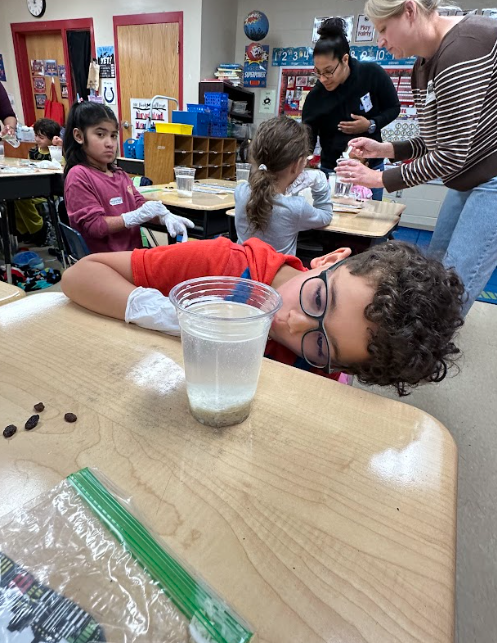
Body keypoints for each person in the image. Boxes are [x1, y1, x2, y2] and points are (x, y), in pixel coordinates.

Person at [61, 236, 465, 396]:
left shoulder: (320, 372)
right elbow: (80, 274)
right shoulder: (222, 264)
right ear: (328, 259)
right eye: (320, 298)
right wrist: (162, 313)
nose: (293, 322)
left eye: (321, 343)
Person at [337, 2, 497, 315]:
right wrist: (386, 150)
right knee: (434, 271)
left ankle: (423, 356)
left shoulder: (462, 48)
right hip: (467, 178)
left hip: (490, 177)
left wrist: (381, 178)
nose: (380, 40)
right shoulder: (423, 65)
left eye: (383, 29)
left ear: (410, 11)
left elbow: (450, 154)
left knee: (453, 287)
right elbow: (438, 139)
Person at [63, 101, 194, 253]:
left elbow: (139, 206)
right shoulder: (79, 175)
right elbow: (94, 226)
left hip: (133, 256)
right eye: (100, 135)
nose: (110, 143)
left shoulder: (120, 174)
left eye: (113, 136)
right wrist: (133, 217)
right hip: (105, 262)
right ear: (79, 136)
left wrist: (164, 217)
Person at [302, 17, 400, 201]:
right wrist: (303, 162)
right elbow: (308, 134)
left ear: (345, 59)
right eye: (318, 72)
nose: (323, 78)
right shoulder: (316, 95)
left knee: (368, 222)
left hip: (369, 169)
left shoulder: (372, 74)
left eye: (329, 71)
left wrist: (371, 124)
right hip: (332, 170)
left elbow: (393, 107)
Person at [235, 116, 332, 256]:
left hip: (241, 275)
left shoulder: (240, 193)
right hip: (278, 277)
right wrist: (320, 183)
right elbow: (326, 215)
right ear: (298, 164)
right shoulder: (296, 208)